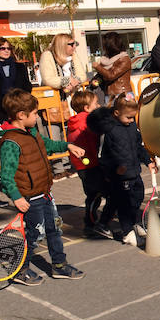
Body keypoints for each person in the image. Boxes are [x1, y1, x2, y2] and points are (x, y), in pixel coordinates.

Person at [0, 88, 85, 285]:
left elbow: (47, 144)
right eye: (35, 113)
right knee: (35, 234)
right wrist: (16, 197)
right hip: (29, 198)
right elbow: (7, 175)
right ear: (21, 115)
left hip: (44, 192)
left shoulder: (31, 132)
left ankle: (59, 265)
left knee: (55, 229)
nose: (38, 117)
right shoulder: (11, 142)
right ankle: (21, 269)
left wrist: (67, 146)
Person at [87, 95, 156, 247]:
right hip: (118, 175)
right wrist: (113, 169)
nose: (132, 120)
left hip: (133, 170)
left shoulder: (132, 126)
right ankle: (127, 231)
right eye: (129, 117)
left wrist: (148, 161)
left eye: (133, 117)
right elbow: (102, 155)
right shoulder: (108, 130)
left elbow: (138, 146)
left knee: (136, 196)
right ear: (117, 113)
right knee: (123, 203)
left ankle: (107, 223)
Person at [67, 90, 114, 238]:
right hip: (91, 164)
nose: (98, 105)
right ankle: (95, 224)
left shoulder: (75, 121)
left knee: (94, 195)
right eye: (96, 104)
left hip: (82, 165)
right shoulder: (88, 122)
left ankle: (92, 222)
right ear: (87, 108)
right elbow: (95, 141)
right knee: (105, 194)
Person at [0, 37, 32, 123]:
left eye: (8, 48)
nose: (6, 51)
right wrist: (8, 107)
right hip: (2, 111)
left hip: (22, 109)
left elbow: (27, 86)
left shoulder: (20, 67)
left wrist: (20, 104)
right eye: (2, 48)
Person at [92, 32, 133, 101]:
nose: (103, 47)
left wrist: (98, 67)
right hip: (109, 94)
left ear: (110, 45)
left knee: (125, 111)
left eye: (104, 44)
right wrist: (96, 80)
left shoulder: (124, 59)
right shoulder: (106, 59)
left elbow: (111, 75)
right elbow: (103, 74)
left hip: (122, 94)